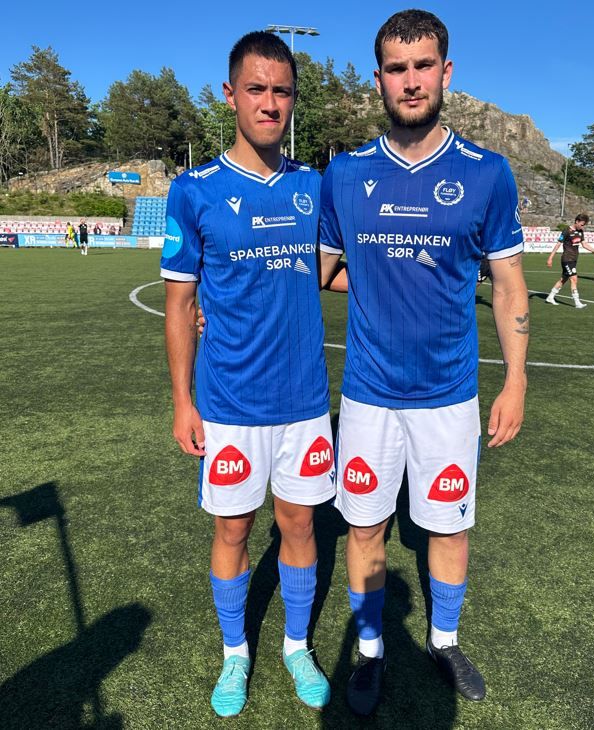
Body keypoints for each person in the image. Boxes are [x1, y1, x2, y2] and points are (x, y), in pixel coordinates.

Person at [318, 9, 529, 715]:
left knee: (448, 526)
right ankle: (371, 649)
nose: (410, 81)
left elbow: (507, 286)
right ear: (379, 78)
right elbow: (315, 271)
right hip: (369, 394)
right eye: (396, 68)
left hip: (449, 394)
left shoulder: (486, 173)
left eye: (422, 66)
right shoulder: (346, 173)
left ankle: (443, 639)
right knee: (365, 528)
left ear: (445, 72)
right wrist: (224, 300)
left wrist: (515, 380)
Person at [161, 31, 333, 718]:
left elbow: (332, 271)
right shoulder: (193, 190)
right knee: (233, 531)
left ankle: (295, 645)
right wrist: (182, 401)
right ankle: (235, 652)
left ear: (292, 100)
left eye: (281, 91)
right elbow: (180, 304)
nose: (269, 103)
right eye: (256, 89)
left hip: (304, 401)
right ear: (231, 95)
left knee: (299, 526)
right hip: (229, 401)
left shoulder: (314, 187)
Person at [545, 213, 594, 307]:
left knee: (563, 279)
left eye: (584, 225)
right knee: (574, 279)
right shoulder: (566, 231)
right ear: (577, 221)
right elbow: (558, 245)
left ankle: (550, 297)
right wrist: (550, 258)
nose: (582, 227)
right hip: (567, 259)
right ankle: (577, 302)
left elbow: (584, 244)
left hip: (574, 259)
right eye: (582, 224)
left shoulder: (580, 231)